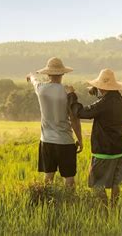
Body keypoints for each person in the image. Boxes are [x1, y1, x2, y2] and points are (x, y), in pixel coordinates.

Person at [66, 69, 122, 207]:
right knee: (115, 182)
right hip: (119, 148)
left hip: (104, 150)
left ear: (102, 87)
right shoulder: (118, 99)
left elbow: (81, 112)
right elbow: (104, 105)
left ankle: (104, 210)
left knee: (96, 183)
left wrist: (71, 95)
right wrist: (98, 92)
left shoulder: (103, 104)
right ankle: (114, 209)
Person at [27, 57, 83, 188]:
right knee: (69, 178)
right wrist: (80, 139)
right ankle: (69, 204)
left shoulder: (41, 89)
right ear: (63, 73)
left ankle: (47, 202)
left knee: (48, 177)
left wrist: (31, 76)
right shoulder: (68, 93)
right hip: (65, 141)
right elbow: (74, 119)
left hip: (46, 141)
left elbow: (34, 81)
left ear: (47, 73)